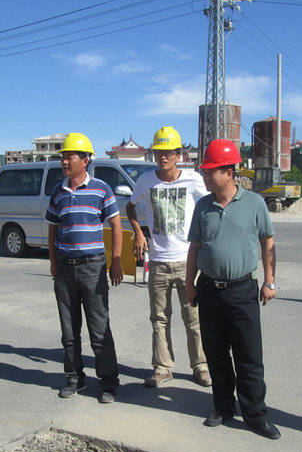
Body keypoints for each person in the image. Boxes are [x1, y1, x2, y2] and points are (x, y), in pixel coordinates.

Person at [185, 139, 280, 440]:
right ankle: (223, 407)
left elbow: (268, 243)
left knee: (249, 355)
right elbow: (195, 248)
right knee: (216, 353)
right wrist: (190, 283)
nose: (205, 176)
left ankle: (255, 414)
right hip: (210, 289)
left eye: (210, 171)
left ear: (229, 172)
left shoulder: (254, 204)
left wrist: (269, 281)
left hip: (242, 290)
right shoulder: (203, 205)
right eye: (204, 171)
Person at [126, 126, 211, 388]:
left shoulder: (194, 179)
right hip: (159, 262)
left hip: (188, 261)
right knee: (159, 318)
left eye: (169, 153)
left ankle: (201, 367)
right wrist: (139, 233)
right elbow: (130, 206)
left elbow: (208, 206)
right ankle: (162, 367)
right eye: (159, 152)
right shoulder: (145, 181)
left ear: (178, 155)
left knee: (193, 318)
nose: (163, 157)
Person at [46, 132, 123, 404]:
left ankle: (109, 383)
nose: (65, 161)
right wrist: (54, 262)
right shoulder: (58, 191)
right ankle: (74, 378)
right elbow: (53, 229)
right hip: (66, 270)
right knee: (69, 331)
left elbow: (115, 225)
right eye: (63, 157)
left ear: (86, 160)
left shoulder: (102, 188)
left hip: (93, 268)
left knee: (99, 329)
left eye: (71, 156)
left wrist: (116, 261)